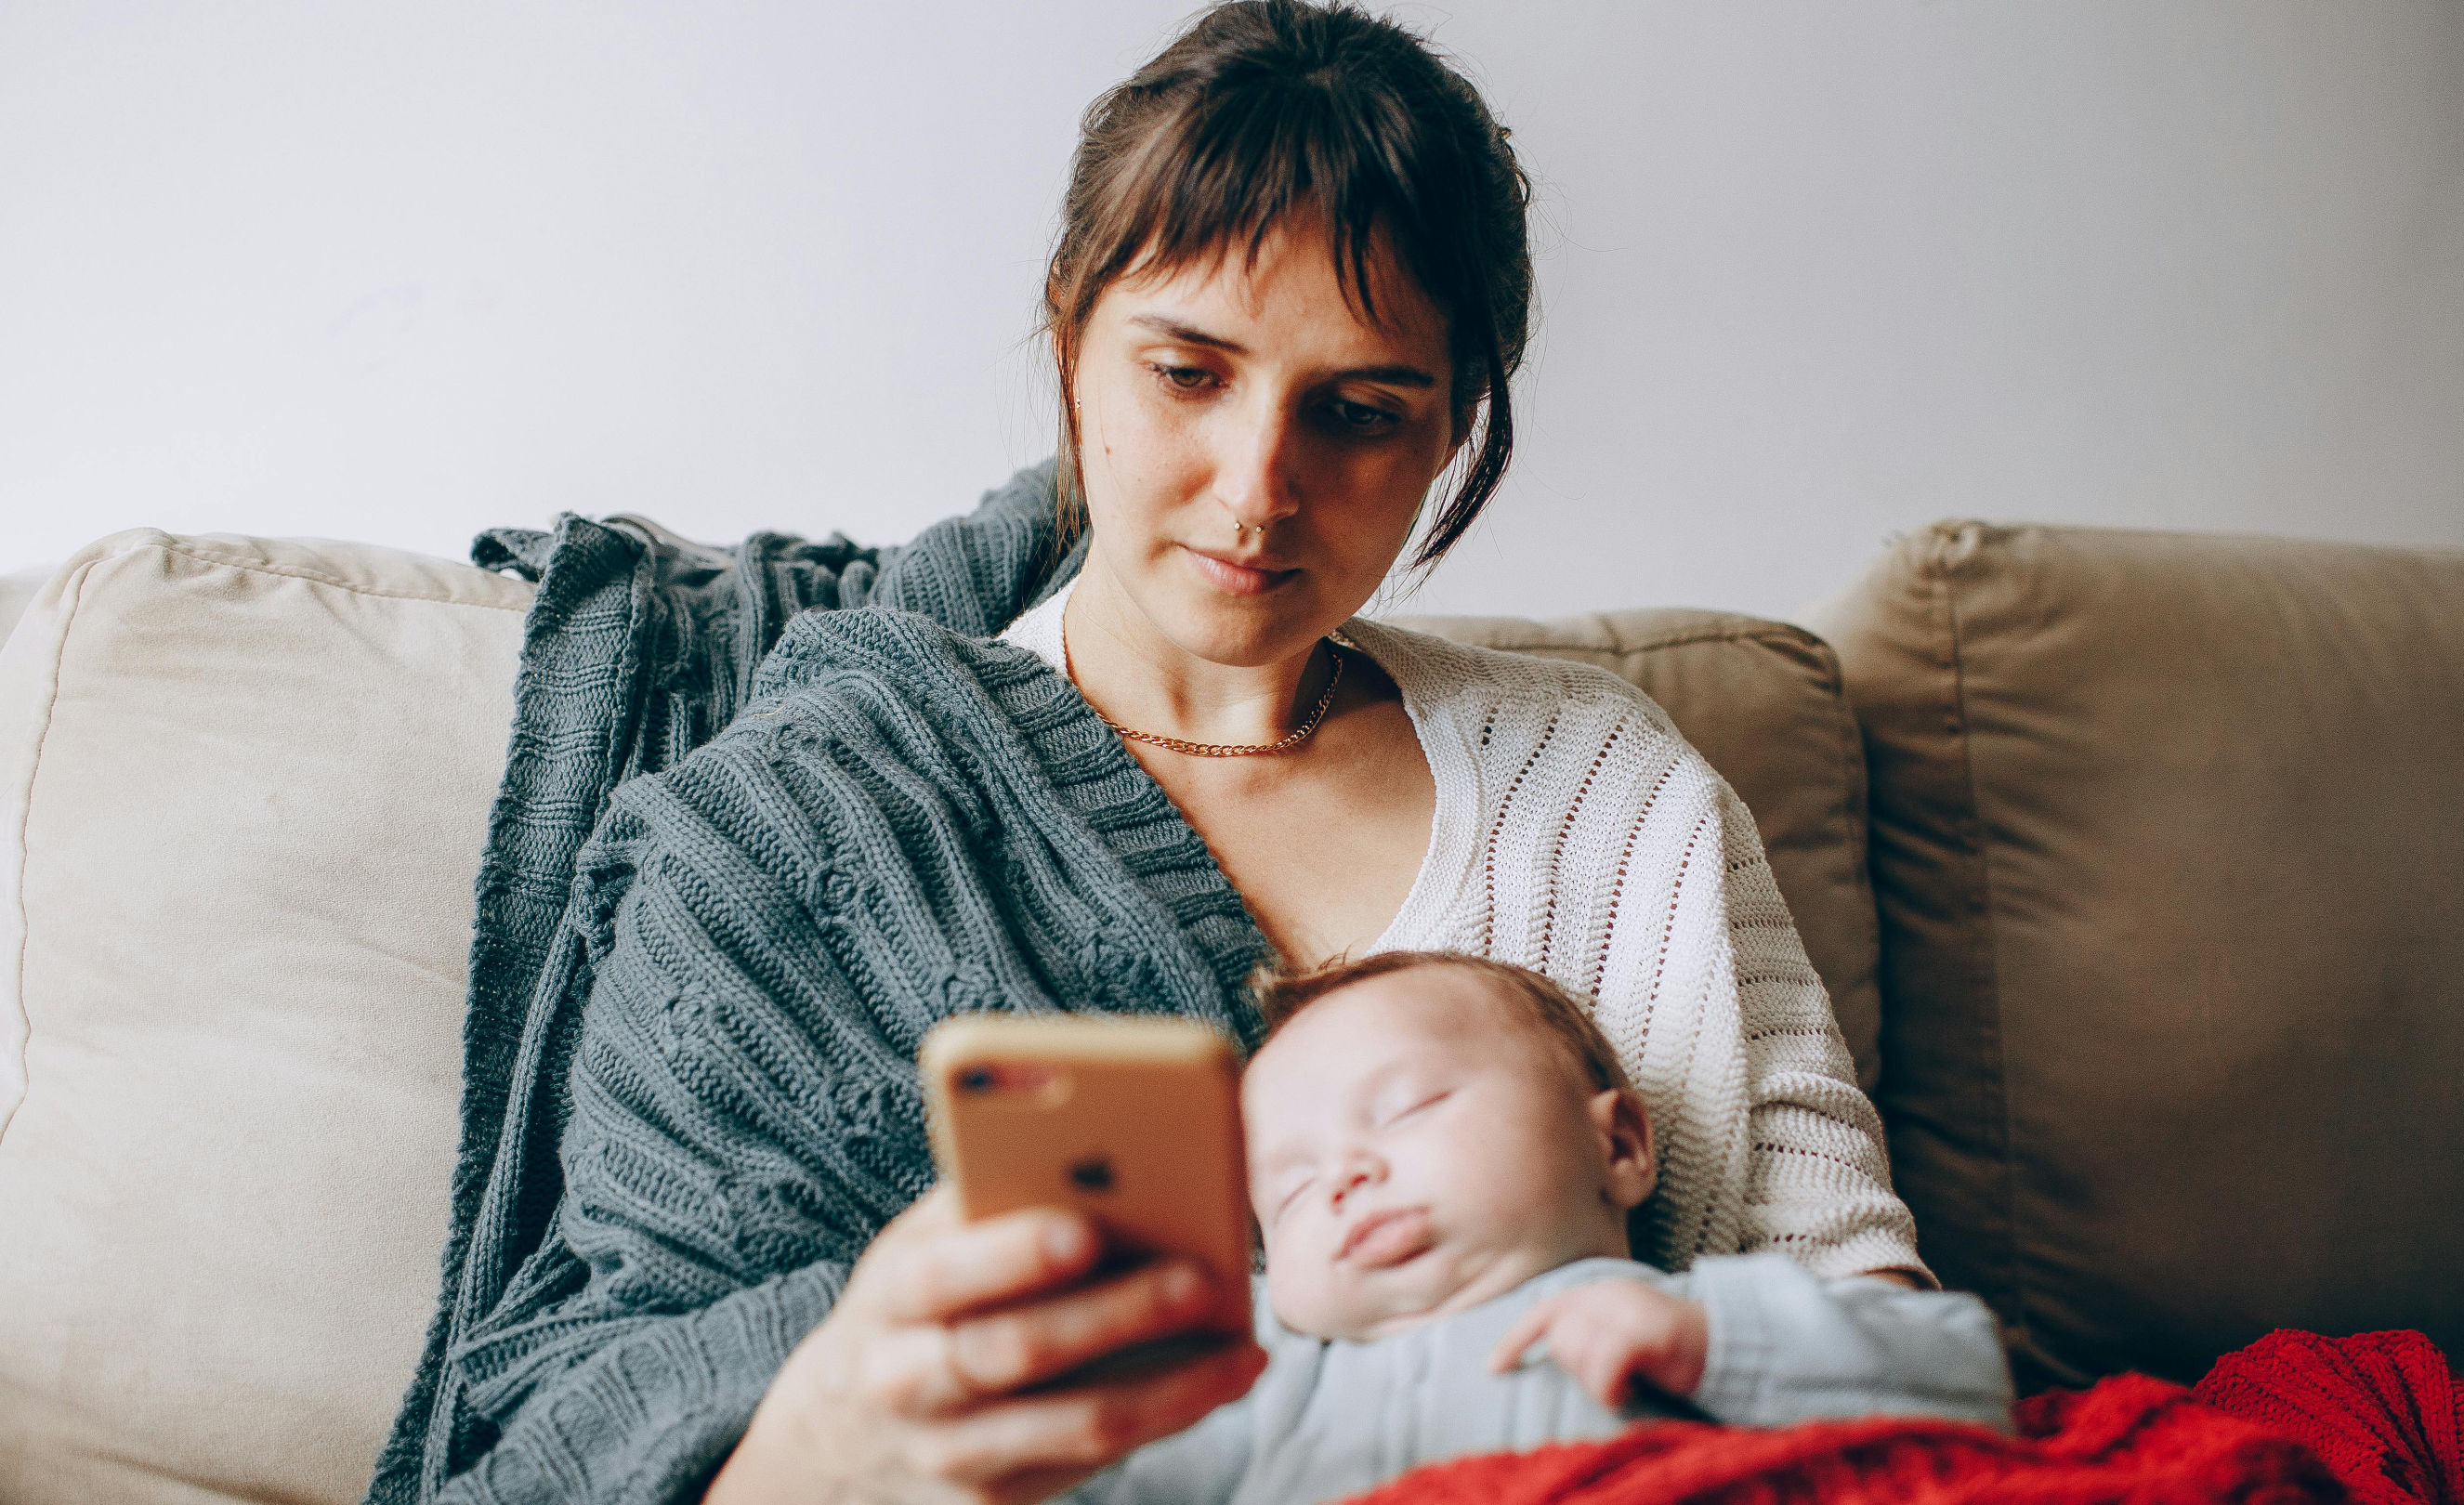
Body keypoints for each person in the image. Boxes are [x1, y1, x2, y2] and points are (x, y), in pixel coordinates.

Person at [390, 5, 1930, 1503]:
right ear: (1071, 341)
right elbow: (587, 1418)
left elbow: (1874, 1328)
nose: (1260, 488)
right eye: (1188, 374)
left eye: (1361, 410)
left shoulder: (1610, 796)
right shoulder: (805, 819)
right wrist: (836, 1421)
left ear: (1454, 425)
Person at [1057, 951, 2011, 1505]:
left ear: (1622, 1146)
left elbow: (1965, 1380)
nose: (1344, 1176)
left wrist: (1719, 1342)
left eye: (1405, 1107)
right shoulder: (1260, 1373)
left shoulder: (1687, 1323)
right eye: (1291, 1187)